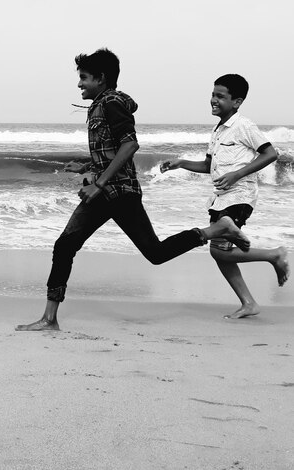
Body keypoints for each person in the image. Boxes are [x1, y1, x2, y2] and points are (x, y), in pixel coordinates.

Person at [16, 48, 251, 332]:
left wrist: (99, 183)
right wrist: (87, 167)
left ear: (101, 79)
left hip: (120, 193)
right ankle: (50, 319)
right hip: (104, 193)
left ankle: (213, 231)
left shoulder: (112, 103)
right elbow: (112, 150)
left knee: (156, 253)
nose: (79, 84)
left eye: (84, 78)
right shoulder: (100, 104)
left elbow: (130, 145)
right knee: (65, 245)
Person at [160, 74, 289, 319]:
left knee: (221, 234)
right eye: (213, 95)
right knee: (219, 253)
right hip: (221, 197)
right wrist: (181, 163)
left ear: (237, 101)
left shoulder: (244, 126)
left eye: (220, 96)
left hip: (240, 195)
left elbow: (270, 154)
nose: (213, 100)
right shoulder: (218, 130)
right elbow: (208, 166)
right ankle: (251, 298)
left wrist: (236, 174)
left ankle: (264, 248)